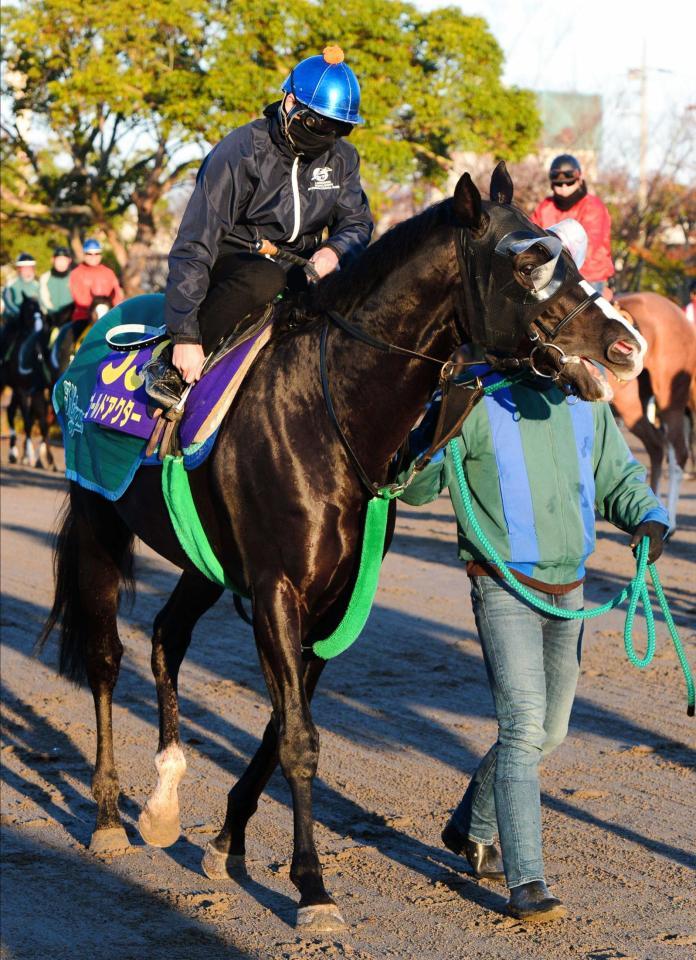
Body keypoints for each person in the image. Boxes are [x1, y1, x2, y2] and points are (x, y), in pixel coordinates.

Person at [400, 369, 668, 923]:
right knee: (523, 727)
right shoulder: (476, 401)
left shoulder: (585, 400)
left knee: (551, 731)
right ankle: (527, 881)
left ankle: (468, 829)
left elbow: (616, 475)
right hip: (500, 585)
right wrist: (435, 429)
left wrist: (648, 516)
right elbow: (417, 488)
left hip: (569, 587)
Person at [146, 45, 373, 407]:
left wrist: (334, 249)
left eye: (339, 128)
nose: (328, 136)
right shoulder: (241, 150)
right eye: (318, 124)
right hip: (236, 259)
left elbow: (357, 222)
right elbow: (195, 241)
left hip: (301, 268)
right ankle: (169, 367)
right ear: (290, 104)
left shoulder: (343, 158)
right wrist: (186, 335)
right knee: (266, 279)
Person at [531, 155, 614, 296]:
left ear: (579, 180)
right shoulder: (545, 207)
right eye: (559, 184)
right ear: (552, 184)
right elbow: (532, 238)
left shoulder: (593, 207)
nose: (564, 188)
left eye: (569, 183)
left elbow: (588, 248)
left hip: (588, 277)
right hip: (549, 278)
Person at [69, 238, 123, 322]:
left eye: (97, 253)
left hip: (108, 315)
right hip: (84, 317)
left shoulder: (108, 272)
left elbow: (117, 295)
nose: (93, 257)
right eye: (89, 254)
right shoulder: (76, 273)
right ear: (84, 254)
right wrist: (94, 309)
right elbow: (78, 298)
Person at [39, 246, 74, 329]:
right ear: (53, 260)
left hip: (71, 319)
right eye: (59, 259)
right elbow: (43, 299)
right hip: (51, 319)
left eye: (64, 260)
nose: (61, 263)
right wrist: (54, 314)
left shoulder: (75, 276)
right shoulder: (45, 277)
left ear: (69, 261)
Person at [2, 252, 40, 319]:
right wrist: (21, 314)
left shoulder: (38, 286)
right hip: (14, 320)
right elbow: (8, 303)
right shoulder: (10, 285)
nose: (27, 271)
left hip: (33, 319)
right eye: (24, 268)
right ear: (19, 269)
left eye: (30, 268)